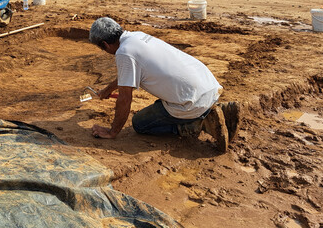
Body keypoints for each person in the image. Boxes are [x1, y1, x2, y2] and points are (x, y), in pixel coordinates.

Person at [88, 17, 240, 152]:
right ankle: (220, 109)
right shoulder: (137, 36)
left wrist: (112, 132)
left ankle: (200, 124)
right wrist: (107, 90)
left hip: (191, 103)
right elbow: (126, 76)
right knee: (163, 104)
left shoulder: (124, 53)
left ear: (105, 44)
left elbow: (125, 99)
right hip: (210, 88)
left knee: (140, 123)